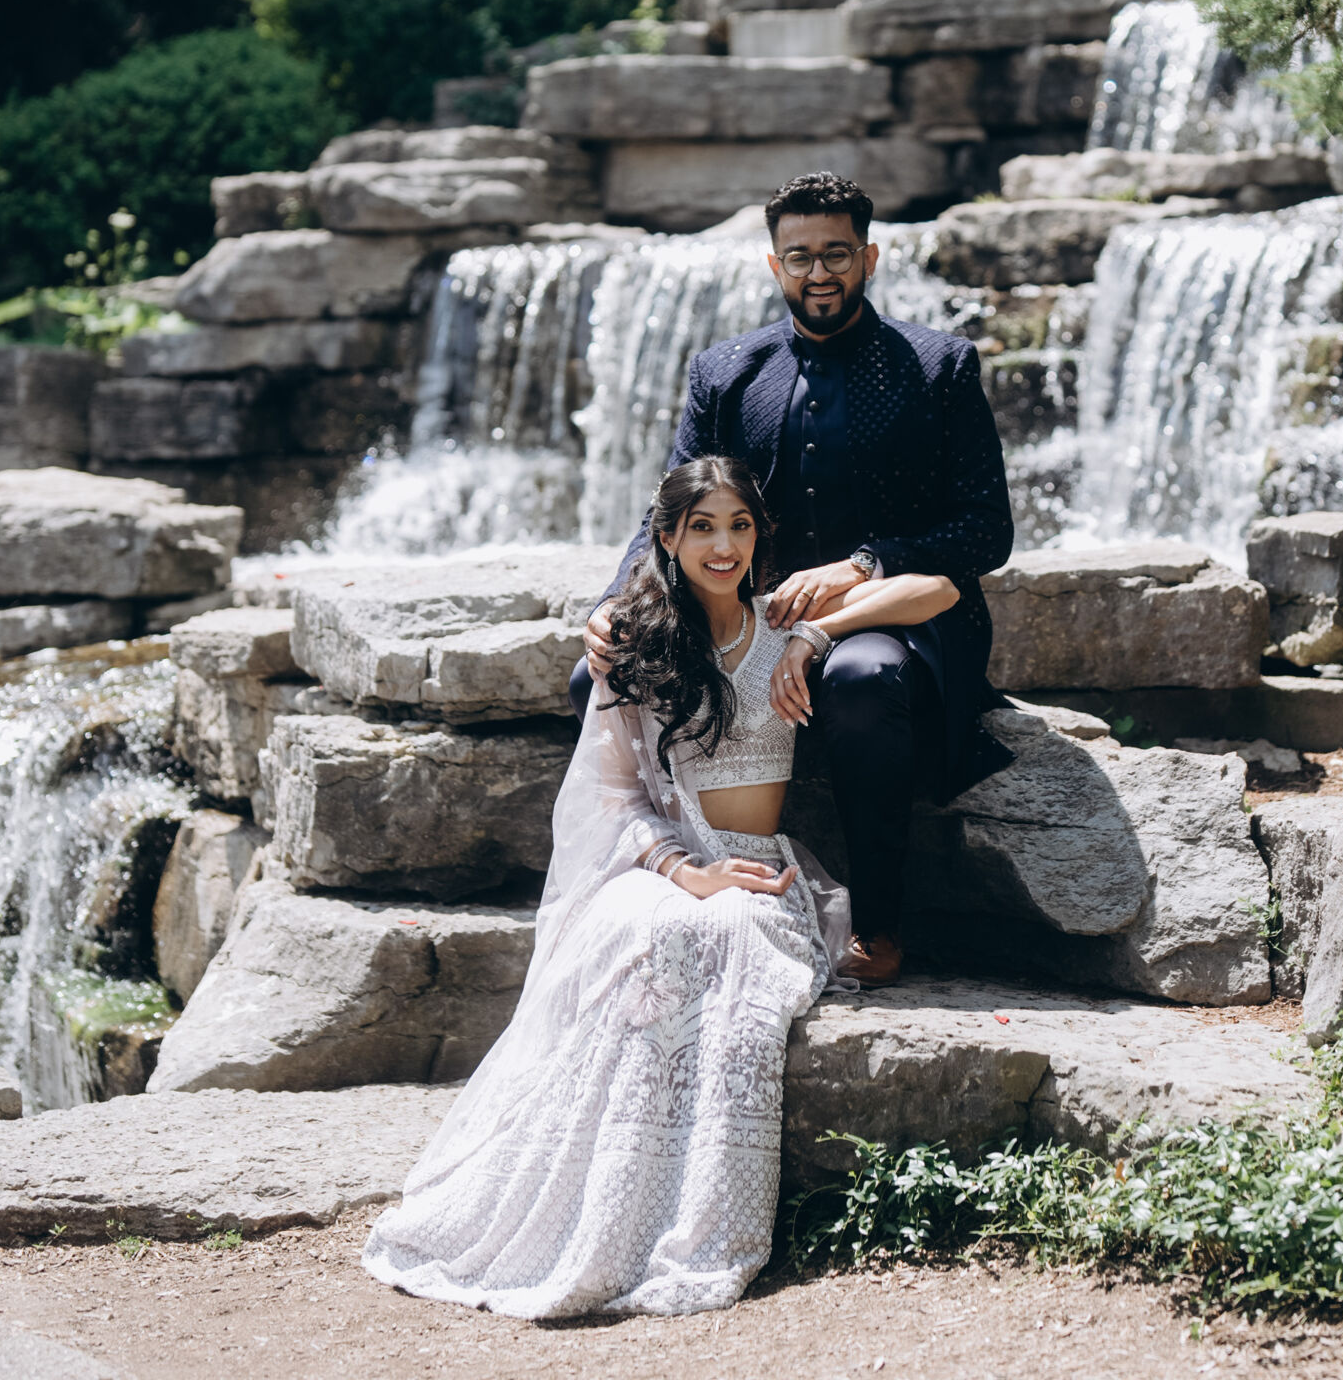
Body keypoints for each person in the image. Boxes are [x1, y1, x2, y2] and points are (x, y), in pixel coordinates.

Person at [361, 456, 960, 1321]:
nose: (724, 546)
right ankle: (599, 1203)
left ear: (760, 537)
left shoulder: (782, 615)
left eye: (740, 526)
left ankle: (694, 1216)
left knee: (725, 933)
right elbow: (614, 798)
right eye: (703, 527)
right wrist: (687, 871)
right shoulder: (638, 648)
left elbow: (938, 589)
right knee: (645, 932)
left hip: (761, 870)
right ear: (669, 539)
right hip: (671, 863)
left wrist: (816, 636)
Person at [577, 170, 1016, 984]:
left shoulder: (939, 365)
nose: (820, 273)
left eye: (837, 254)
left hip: (903, 619)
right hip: (752, 619)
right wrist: (613, 605)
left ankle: (877, 925)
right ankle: (669, 869)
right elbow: (667, 511)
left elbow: (986, 530)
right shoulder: (725, 371)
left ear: (869, 258)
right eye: (802, 257)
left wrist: (862, 564)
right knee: (596, 674)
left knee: (859, 679)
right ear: (775, 265)